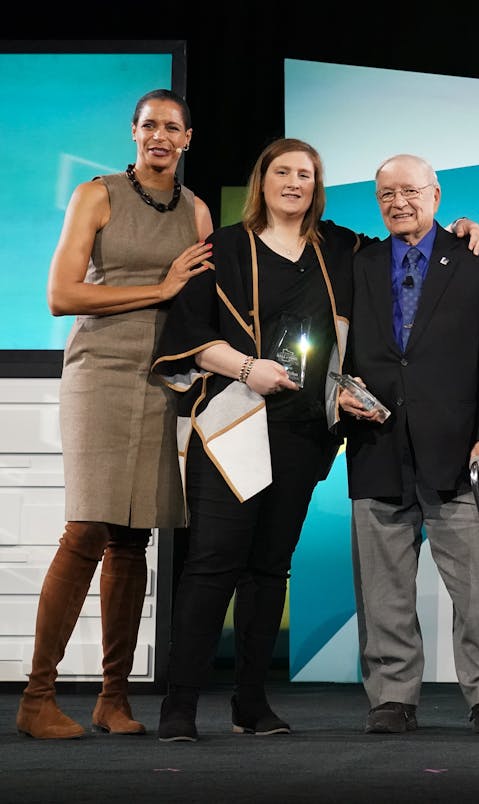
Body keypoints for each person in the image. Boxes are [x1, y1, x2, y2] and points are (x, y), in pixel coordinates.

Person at [16, 89, 214, 740]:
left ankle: (112, 698)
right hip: (100, 371)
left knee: (135, 539)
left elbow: (205, 301)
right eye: (149, 126)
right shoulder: (97, 195)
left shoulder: (197, 212)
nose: (160, 136)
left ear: (188, 139)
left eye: (172, 127)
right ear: (134, 133)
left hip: (162, 381)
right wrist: (159, 289)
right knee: (88, 528)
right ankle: (37, 699)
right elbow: (60, 294)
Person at [150, 138, 354, 741]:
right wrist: (246, 368)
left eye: (306, 175)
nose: (294, 183)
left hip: (301, 431)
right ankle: (179, 706)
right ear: (261, 180)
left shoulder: (337, 249)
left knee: (270, 570)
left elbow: (407, 247)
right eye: (282, 172)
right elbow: (189, 333)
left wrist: (465, 229)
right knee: (213, 564)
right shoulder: (222, 250)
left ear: (316, 188)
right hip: (233, 424)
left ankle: (251, 702)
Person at [339, 154, 479, 736]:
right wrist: (337, 391)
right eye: (386, 193)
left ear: (436, 196)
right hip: (377, 444)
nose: (399, 202)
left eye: (411, 191)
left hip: (460, 448)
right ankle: (392, 696)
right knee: (383, 583)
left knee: (475, 585)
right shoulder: (358, 262)